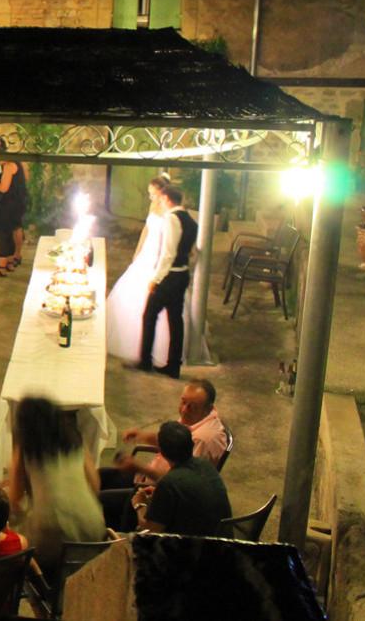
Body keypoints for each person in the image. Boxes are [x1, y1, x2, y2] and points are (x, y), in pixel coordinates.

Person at [99, 379, 229, 528]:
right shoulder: (194, 430)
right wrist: (142, 436)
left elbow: (151, 530)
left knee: (101, 501)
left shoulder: (201, 441)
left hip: (160, 494)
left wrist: (139, 503)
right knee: (101, 476)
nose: (184, 410)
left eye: (191, 407)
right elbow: (172, 441)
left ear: (208, 408)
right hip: (154, 483)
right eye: (183, 402)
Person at [7, 396, 105, 574]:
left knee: (15, 544)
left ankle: (41, 596)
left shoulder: (26, 449)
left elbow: (14, 497)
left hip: (50, 535)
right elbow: (95, 485)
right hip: (93, 528)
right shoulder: (75, 441)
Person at [106, 175, 191, 364]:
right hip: (147, 252)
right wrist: (137, 251)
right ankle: (145, 355)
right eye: (149, 194)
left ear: (164, 193)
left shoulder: (172, 215)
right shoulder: (154, 208)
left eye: (153, 194)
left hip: (160, 257)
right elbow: (147, 229)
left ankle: (153, 355)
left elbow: (171, 244)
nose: (151, 198)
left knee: (154, 309)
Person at [138, 184, 198, 379]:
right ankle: (173, 366)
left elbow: (168, 253)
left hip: (170, 276)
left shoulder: (172, 219)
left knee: (149, 315)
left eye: (161, 200)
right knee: (175, 320)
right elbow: (189, 250)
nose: (160, 204)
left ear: (168, 200)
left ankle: (145, 361)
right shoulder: (191, 220)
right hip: (183, 274)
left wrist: (156, 279)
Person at [132, 421, 232, 537]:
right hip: (221, 543)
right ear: (191, 445)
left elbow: (150, 533)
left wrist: (139, 504)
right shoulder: (205, 465)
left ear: (162, 453)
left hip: (195, 549)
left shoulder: (169, 482)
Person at [0, 140, 28, 278]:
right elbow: (25, 178)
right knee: (9, 232)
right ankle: (9, 261)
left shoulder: (9, 166)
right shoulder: (14, 162)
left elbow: (3, 188)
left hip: (9, 205)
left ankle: (1, 267)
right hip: (16, 203)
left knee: (3, 233)